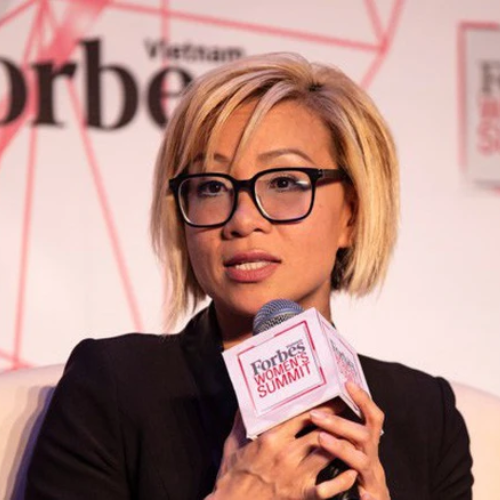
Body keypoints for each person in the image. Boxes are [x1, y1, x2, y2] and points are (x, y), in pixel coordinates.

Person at [26, 53, 473, 500]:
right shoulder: (115, 386)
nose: (242, 220)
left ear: (350, 216)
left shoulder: (426, 415)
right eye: (212, 187)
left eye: (284, 182)